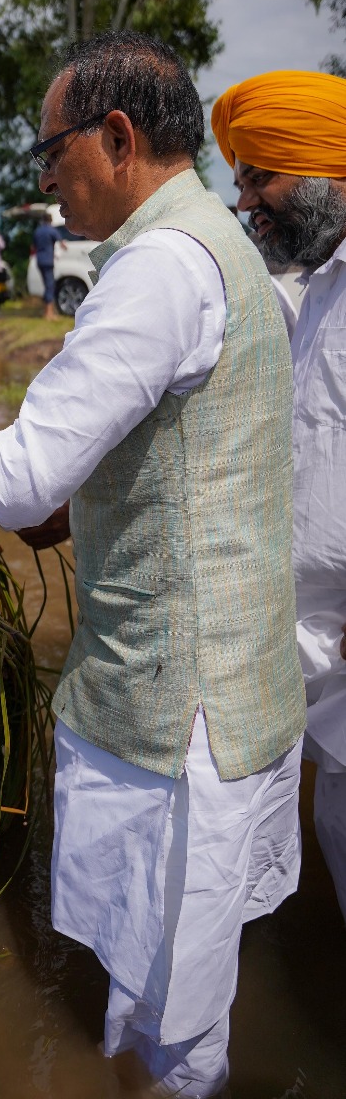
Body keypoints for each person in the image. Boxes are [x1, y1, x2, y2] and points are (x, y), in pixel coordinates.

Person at [0, 30, 306, 1098]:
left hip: (176, 702)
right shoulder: (222, 247)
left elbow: (22, 467)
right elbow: (146, 460)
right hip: (230, 682)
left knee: (176, 1006)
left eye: (51, 153)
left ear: (117, 135)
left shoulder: (156, 265)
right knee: (166, 979)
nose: (45, 180)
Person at [212, 69, 346, 923]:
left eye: (259, 176)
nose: (244, 201)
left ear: (326, 165)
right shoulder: (315, 289)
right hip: (321, 659)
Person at [32, 211, 65, 319]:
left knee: (46, 285)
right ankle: (49, 313)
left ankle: (47, 311)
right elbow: (62, 243)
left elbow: (33, 247)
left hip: (39, 260)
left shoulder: (38, 231)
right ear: (51, 220)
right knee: (50, 285)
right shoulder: (52, 230)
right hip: (48, 260)